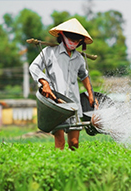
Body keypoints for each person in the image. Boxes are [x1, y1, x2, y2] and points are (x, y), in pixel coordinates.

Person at [29, 18, 96, 150]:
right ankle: (58, 166)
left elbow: (84, 75)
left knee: (74, 143)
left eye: (77, 41)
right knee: (60, 142)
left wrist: (91, 94)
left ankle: (73, 167)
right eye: (71, 39)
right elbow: (34, 67)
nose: (74, 43)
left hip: (73, 105)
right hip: (56, 103)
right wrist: (44, 83)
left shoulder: (79, 58)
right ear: (62, 36)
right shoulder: (49, 52)